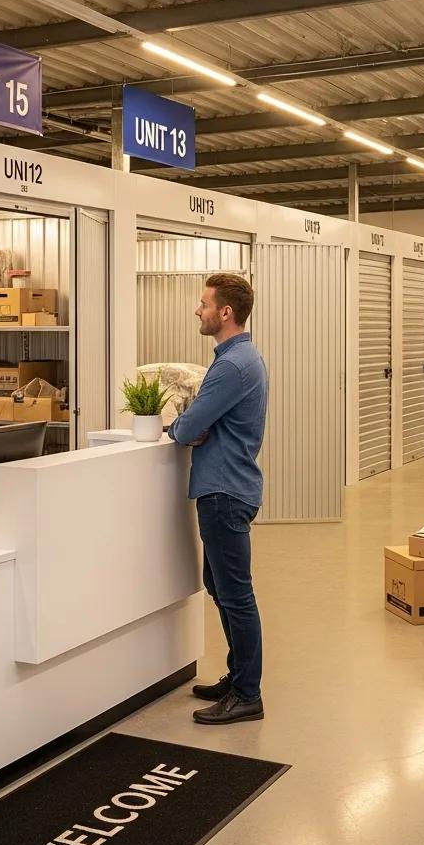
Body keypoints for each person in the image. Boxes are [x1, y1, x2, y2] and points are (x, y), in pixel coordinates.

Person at [168, 273, 268, 725]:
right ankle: (238, 675)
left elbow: (187, 429)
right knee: (221, 589)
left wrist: (188, 427)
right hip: (225, 488)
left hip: (224, 491)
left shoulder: (231, 366)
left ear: (225, 312)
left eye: (204, 303)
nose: (198, 310)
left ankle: (248, 693)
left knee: (236, 595)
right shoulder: (238, 358)